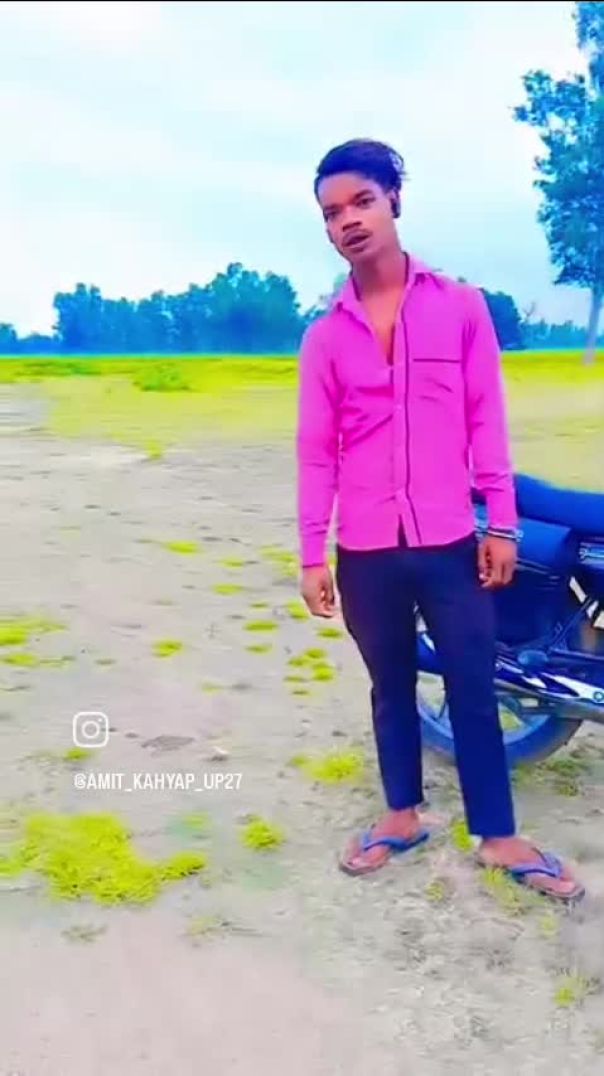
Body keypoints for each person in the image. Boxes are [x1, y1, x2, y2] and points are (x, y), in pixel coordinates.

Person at [295, 138, 584, 903]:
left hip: (451, 540)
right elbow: (317, 452)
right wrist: (312, 553)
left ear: (394, 199)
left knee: (472, 683)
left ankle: (498, 836)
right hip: (365, 548)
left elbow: (486, 421)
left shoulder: (458, 308)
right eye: (332, 213)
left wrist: (503, 525)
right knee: (390, 684)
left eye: (362, 201)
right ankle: (401, 815)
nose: (349, 221)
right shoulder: (325, 338)